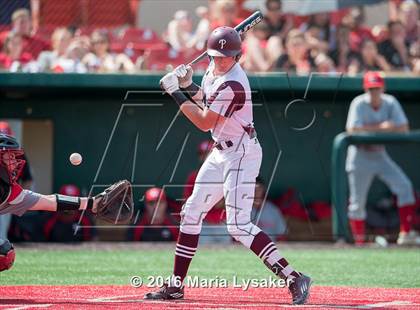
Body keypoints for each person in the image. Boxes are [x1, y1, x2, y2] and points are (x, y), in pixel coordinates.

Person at [147, 26, 312, 305]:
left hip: (241, 154)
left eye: (226, 56)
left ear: (237, 57)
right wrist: (188, 85)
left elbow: (203, 121)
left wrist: (175, 92)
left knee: (238, 226)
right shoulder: (213, 70)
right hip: (220, 151)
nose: (220, 60)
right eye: (215, 56)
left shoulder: (234, 84)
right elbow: (206, 100)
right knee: (191, 212)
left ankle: (294, 277)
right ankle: (176, 287)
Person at [0, 133, 133, 272]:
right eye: (9, 156)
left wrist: (93, 203)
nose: (14, 162)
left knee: (4, 252)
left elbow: (49, 201)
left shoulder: (9, 191)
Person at [345, 71, 420, 246]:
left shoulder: (390, 102)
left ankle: (406, 233)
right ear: (366, 89)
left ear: (383, 88)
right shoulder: (358, 103)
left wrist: (370, 129)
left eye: (377, 88)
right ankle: (360, 242)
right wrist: (384, 127)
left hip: (379, 155)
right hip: (359, 156)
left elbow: (403, 128)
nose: (374, 92)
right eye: (371, 89)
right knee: (357, 202)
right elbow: (352, 130)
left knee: (404, 187)